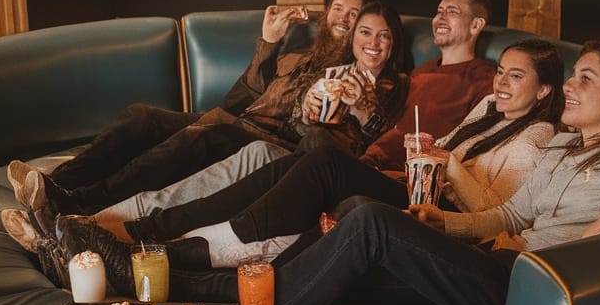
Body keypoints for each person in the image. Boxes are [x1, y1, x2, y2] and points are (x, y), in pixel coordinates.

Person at [54, 40, 600, 305]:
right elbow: (510, 216)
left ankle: (164, 260)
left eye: (585, 79)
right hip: (492, 259)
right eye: (573, 75)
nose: (571, 86)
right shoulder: (568, 146)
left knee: (368, 220)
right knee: (337, 200)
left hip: (524, 290)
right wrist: (441, 224)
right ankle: (159, 266)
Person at [50, 38, 565, 289]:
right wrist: (421, 159)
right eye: (501, 71)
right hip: (414, 190)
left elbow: (497, 212)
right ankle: (140, 231)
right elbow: (439, 154)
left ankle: (187, 242)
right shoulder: (488, 109)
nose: (501, 82)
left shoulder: (539, 136)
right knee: (295, 162)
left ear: (544, 91)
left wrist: (447, 164)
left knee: (322, 160)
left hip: (442, 219)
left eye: (516, 77)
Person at [6, 0, 373, 225]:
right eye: (337, 8)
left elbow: (337, 139)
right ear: (326, 13)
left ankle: (77, 204)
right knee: (141, 116)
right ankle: (53, 185)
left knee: (196, 137)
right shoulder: (296, 53)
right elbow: (237, 100)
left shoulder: (353, 78)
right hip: (236, 122)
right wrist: (268, 42)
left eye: (353, 14)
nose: (343, 18)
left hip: (268, 146)